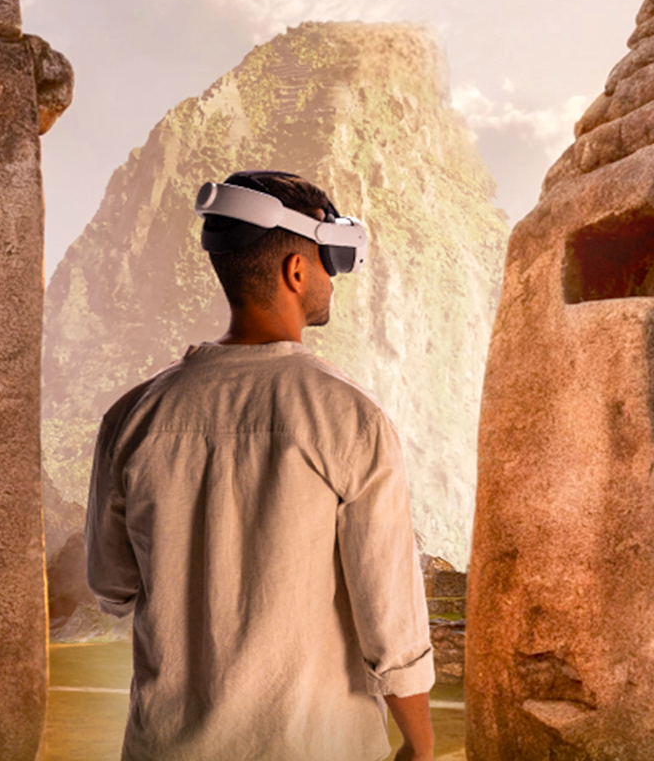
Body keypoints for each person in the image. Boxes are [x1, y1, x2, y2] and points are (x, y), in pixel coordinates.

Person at [85, 169, 436, 761]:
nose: (332, 278)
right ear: (296, 271)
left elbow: (113, 586)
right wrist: (420, 745)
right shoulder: (351, 418)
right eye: (332, 260)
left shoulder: (132, 417)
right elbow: (390, 621)